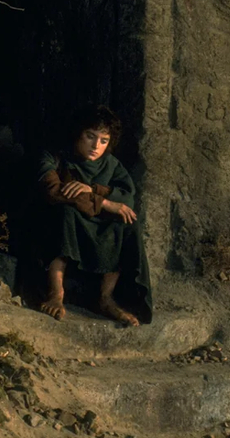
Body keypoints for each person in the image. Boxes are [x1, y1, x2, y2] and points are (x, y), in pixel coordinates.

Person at [36, 104, 152, 326]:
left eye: (104, 140)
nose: (96, 146)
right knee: (65, 213)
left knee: (125, 222)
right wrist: (104, 203)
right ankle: (56, 294)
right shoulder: (54, 156)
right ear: (78, 133)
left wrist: (94, 190)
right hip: (60, 222)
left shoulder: (111, 164)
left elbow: (127, 199)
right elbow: (53, 191)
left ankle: (105, 298)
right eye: (90, 136)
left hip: (94, 224)